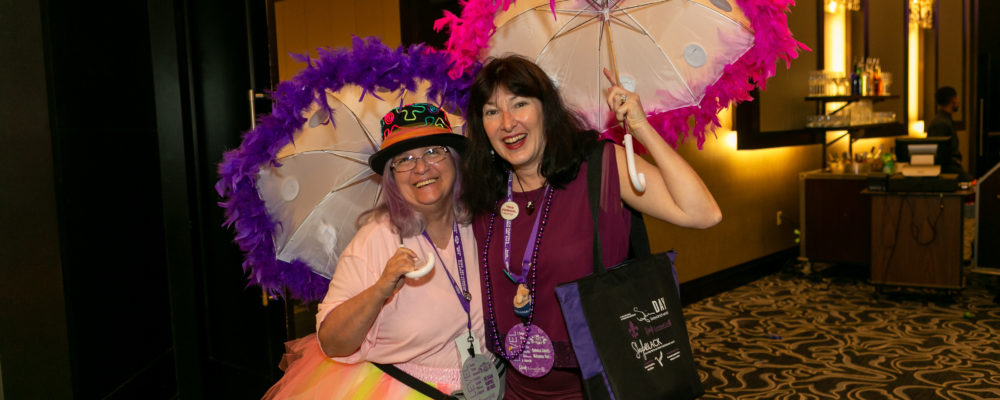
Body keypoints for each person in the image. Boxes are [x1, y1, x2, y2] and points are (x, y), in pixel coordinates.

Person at [461, 55, 722, 398]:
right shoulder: (486, 193)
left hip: (600, 385)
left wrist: (641, 126)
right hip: (517, 388)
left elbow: (703, 213)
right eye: (492, 111)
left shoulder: (599, 166)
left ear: (545, 109)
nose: (507, 122)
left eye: (519, 104)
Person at [263, 103, 502, 399]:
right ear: (391, 176)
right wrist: (380, 289)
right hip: (409, 390)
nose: (420, 167)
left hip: (490, 385)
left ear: (453, 159)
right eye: (404, 159)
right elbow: (332, 343)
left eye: (432, 152)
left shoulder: (483, 224)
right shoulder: (376, 239)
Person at [926, 86, 967, 178]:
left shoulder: (943, 120)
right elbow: (939, 154)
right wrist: (954, 160)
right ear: (953, 100)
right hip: (947, 171)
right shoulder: (941, 123)